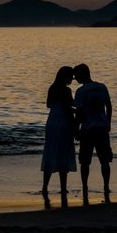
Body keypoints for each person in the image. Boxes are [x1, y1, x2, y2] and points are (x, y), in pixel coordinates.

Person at [72, 63, 113, 205]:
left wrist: (76, 130)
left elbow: (79, 113)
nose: (74, 79)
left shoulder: (81, 91)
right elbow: (109, 105)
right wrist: (108, 122)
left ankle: (85, 186)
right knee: (105, 160)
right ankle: (106, 186)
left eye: (76, 76)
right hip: (102, 127)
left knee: (85, 161)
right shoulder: (102, 87)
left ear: (82, 75)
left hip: (88, 129)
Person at [40, 66, 77, 209]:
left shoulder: (52, 88)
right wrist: (75, 126)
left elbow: (49, 104)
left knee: (50, 152)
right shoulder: (66, 91)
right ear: (65, 77)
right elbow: (68, 110)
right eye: (71, 77)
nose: (72, 79)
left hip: (52, 122)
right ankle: (63, 187)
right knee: (63, 153)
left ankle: (44, 187)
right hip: (63, 123)